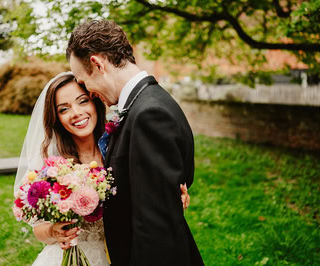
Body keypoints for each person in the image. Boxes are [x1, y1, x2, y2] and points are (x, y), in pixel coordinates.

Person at [14, 72, 191, 266]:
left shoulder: (121, 146)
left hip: (123, 253)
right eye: (64, 109)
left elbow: (145, 193)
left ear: (94, 102)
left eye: (82, 101)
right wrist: (53, 231)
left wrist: (169, 199)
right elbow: (38, 228)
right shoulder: (50, 163)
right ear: (56, 117)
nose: (76, 113)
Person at [67, 20, 204, 265]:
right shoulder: (144, 105)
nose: (87, 91)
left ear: (98, 64)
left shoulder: (149, 115)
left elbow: (156, 227)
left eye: (82, 80)